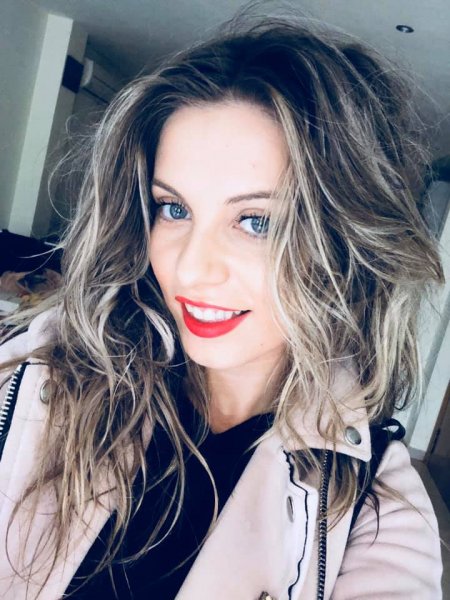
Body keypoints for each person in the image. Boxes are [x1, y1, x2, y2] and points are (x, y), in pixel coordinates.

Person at [0, 8, 444, 600]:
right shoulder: (35, 376)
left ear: (349, 244)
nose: (190, 268)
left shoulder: (375, 515)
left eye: (257, 221)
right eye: (174, 209)